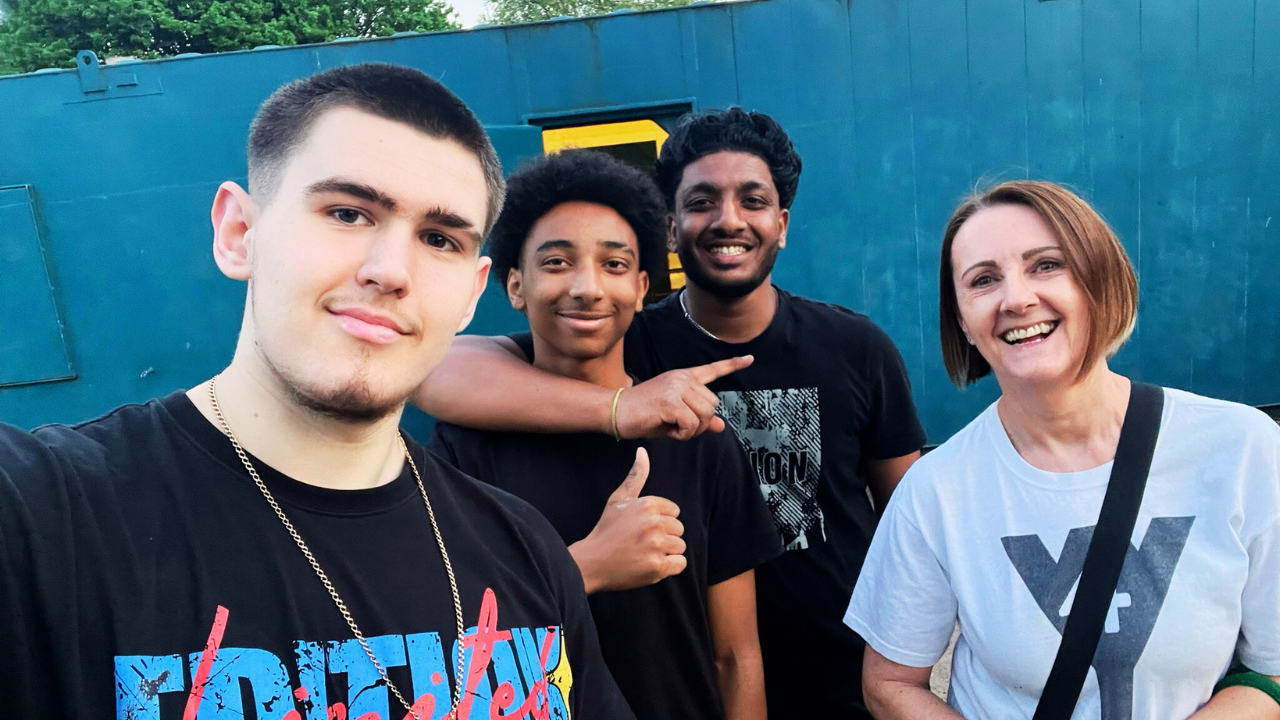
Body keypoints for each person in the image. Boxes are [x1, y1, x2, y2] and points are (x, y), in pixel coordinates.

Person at [0, 64, 633, 720]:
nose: (390, 270)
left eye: (439, 239)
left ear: (471, 294)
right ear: (239, 234)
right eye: (347, 213)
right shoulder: (44, 516)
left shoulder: (524, 547)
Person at [415, 108, 927, 718]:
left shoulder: (855, 347)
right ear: (671, 228)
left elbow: (911, 524)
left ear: (782, 223)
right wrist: (620, 407)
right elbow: (435, 370)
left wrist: (900, 672)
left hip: (834, 678)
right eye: (702, 202)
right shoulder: (617, 338)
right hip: (680, 675)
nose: (729, 220)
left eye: (753, 201)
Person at [845, 180, 1280, 719]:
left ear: (1100, 279)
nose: (1016, 299)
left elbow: (1272, 669)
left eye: (1047, 265)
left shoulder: (1243, 449)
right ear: (962, 321)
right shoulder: (937, 491)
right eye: (983, 280)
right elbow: (889, 684)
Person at [427, 149, 782, 720]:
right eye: (557, 262)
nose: (588, 287)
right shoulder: (463, 449)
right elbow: (450, 642)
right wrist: (586, 567)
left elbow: (735, 656)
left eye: (614, 265)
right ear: (515, 285)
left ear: (641, 288)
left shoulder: (700, 442)